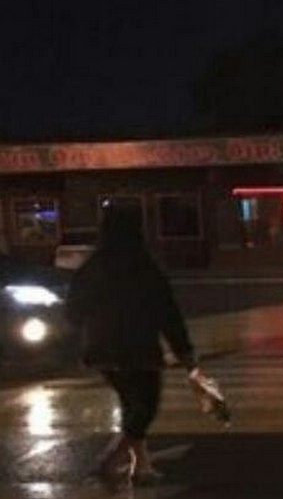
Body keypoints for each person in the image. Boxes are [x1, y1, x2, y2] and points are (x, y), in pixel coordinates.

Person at [66, 206, 197, 488]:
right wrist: (184, 351)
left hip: (100, 348)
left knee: (131, 406)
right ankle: (110, 459)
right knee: (145, 408)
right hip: (138, 348)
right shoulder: (143, 266)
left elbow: (73, 312)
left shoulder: (92, 267)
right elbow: (167, 312)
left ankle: (141, 467)